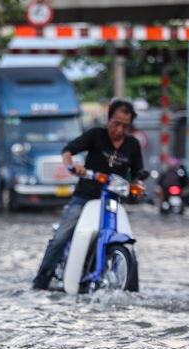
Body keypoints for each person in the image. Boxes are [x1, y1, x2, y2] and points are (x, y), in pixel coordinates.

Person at [33, 99, 144, 290]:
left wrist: (138, 185)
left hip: (112, 200)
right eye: (116, 124)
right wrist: (72, 166)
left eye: (125, 126)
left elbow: (138, 173)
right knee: (62, 236)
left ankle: (131, 287)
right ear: (109, 119)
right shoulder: (96, 135)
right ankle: (41, 280)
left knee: (128, 239)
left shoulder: (132, 144)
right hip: (85, 196)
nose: (119, 130)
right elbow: (69, 150)